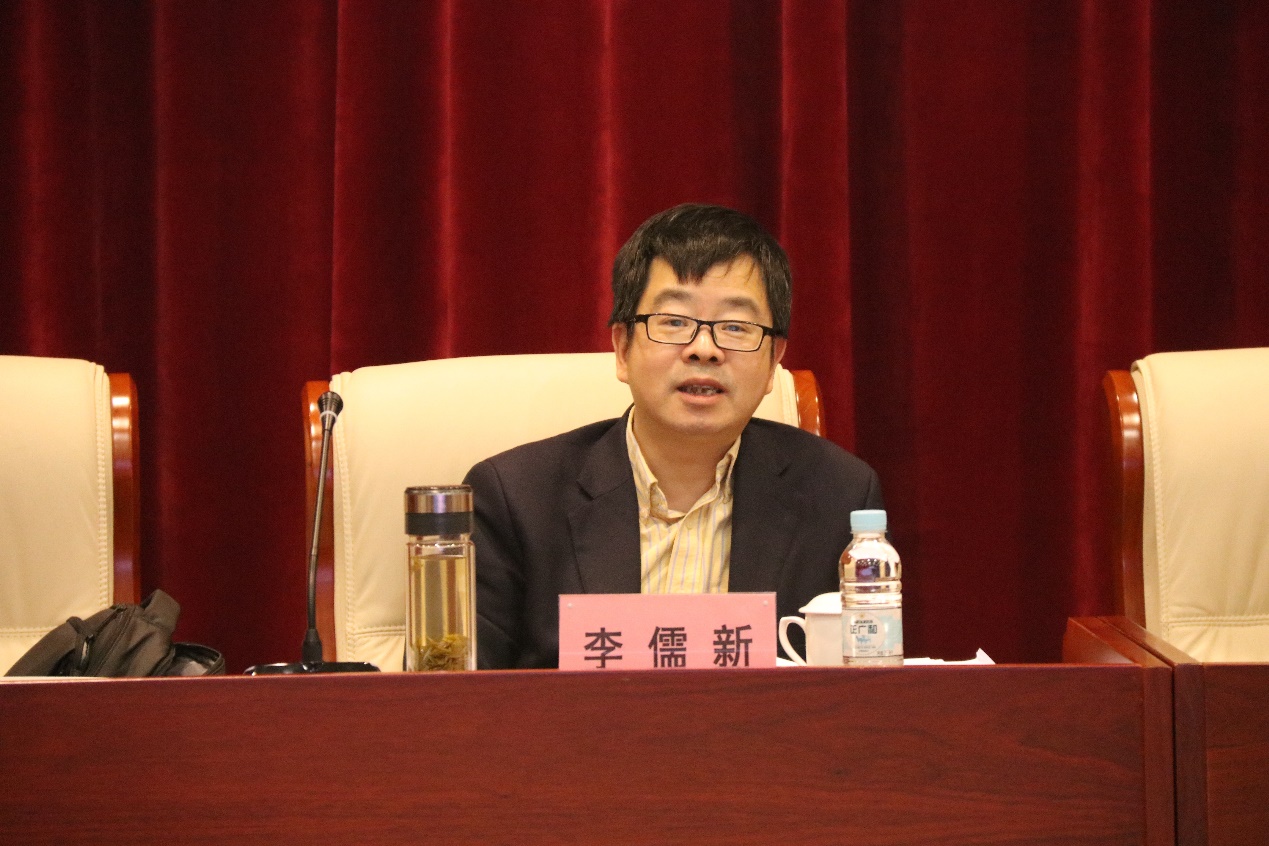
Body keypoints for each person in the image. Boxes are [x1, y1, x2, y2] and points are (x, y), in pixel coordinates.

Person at [465, 203, 883, 668]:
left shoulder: (838, 495)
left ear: (773, 362)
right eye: (675, 322)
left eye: (736, 327)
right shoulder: (515, 498)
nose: (704, 349)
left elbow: (865, 688)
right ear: (621, 349)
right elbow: (458, 698)